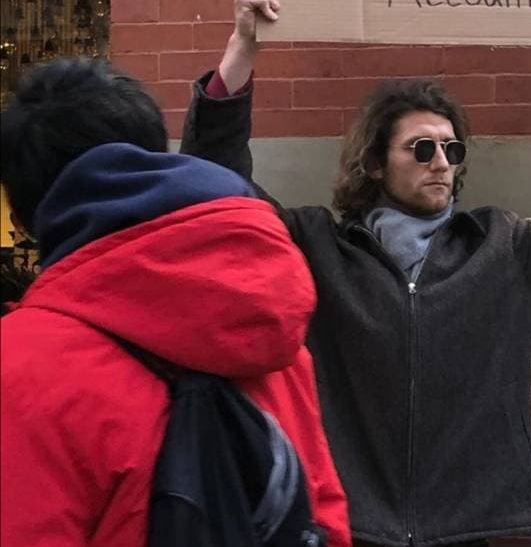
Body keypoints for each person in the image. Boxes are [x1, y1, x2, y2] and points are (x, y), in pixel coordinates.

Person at [181, 0, 531, 546]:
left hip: (480, 530)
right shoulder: (319, 251)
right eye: (421, 148)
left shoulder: (506, 252)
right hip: (352, 529)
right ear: (374, 162)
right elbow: (218, 196)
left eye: (451, 148)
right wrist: (244, 47)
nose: (441, 161)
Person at [0, 57, 350, 547]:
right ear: (151, 160)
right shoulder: (268, 325)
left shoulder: (20, 364)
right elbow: (323, 516)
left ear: (23, 213)